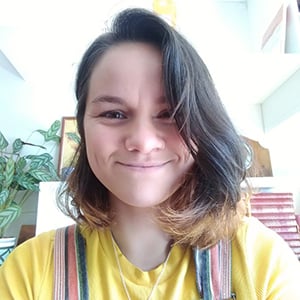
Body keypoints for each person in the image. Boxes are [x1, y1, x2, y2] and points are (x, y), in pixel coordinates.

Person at [1, 8, 300, 300]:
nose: (143, 142)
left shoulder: (262, 265)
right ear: (83, 129)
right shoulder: (28, 273)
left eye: (170, 113)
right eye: (114, 114)